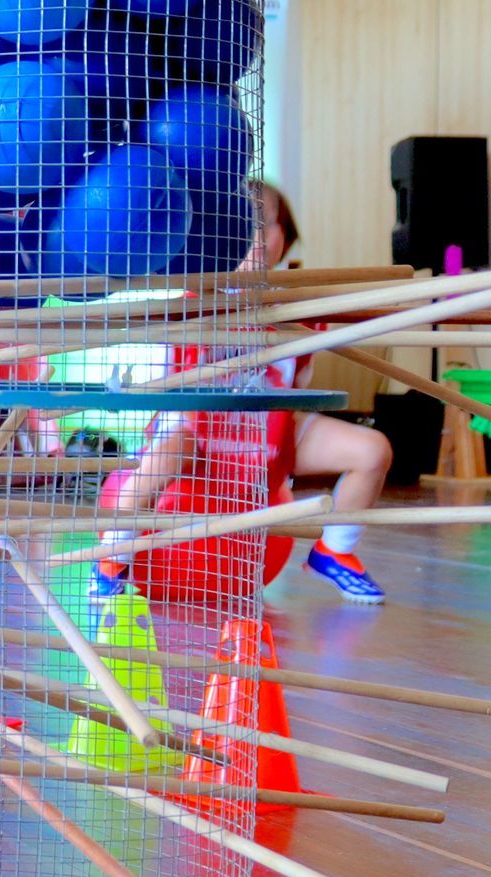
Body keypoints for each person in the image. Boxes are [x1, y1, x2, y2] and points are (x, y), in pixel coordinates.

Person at [92, 181, 393, 604]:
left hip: (267, 432)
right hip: (197, 429)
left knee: (371, 449)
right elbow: (169, 381)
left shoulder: (301, 310)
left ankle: (335, 549)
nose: (252, 236)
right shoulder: (194, 298)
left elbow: (297, 390)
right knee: (160, 462)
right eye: (238, 222)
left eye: (265, 225)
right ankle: (113, 554)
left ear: (284, 239)